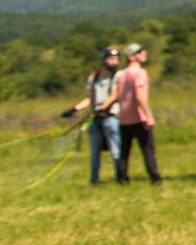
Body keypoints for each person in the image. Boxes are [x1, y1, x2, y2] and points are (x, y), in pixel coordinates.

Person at [62, 46, 124, 185]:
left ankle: (120, 178)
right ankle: (94, 181)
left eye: (117, 59)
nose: (114, 62)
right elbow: (90, 98)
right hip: (95, 119)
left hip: (111, 117)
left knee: (116, 151)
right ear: (103, 60)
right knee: (95, 153)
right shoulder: (94, 77)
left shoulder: (119, 76)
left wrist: (101, 108)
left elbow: (114, 96)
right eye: (111, 59)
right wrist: (74, 109)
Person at [115, 43, 161, 185]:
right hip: (138, 117)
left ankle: (122, 178)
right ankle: (155, 178)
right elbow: (140, 96)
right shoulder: (139, 73)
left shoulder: (121, 75)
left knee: (124, 151)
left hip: (123, 118)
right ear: (131, 57)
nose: (144, 53)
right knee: (147, 149)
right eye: (140, 51)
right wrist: (148, 116)